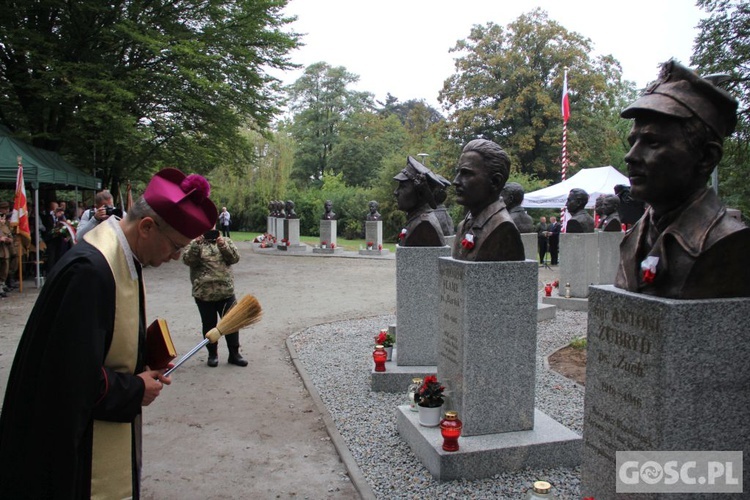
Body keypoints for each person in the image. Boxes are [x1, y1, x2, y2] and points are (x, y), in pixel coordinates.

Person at [0, 168, 218, 498]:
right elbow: (66, 379)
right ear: (147, 227)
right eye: (175, 246)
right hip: (73, 456)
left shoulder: (118, 256)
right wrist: (133, 389)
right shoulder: (92, 270)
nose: (175, 258)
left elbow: (92, 341)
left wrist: (142, 354)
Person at [614, 59, 750, 299]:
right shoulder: (633, 238)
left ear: (707, 157)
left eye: (652, 142)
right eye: (632, 142)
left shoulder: (732, 245)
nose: (630, 156)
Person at [183, 226, 247, 367]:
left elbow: (235, 258)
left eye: (212, 226)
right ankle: (212, 355)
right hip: (204, 295)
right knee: (208, 325)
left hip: (226, 292)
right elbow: (187, 260)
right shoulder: (196, 243)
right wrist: (196, 244)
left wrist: (222, 245)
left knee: (232, 323)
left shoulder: (225, 241)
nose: (210, 229)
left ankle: (234, 354)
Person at [452, 139, 524, 261]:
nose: (456, 181)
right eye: (458, 172)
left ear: (495, 182)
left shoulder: (503, 228)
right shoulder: (463, 225)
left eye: (466, 174)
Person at [393, 156, 446, 247]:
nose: (396, 192)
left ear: (420, 193)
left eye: (403, 187)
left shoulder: (424, 224)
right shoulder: (414, 219)